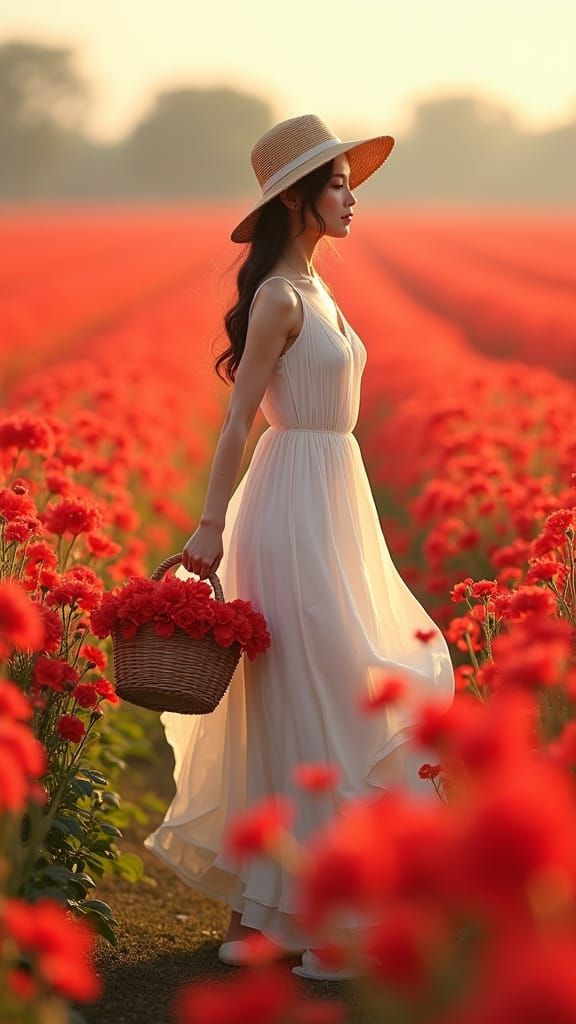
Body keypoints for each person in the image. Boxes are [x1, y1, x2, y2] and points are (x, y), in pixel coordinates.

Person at [144, 113, 455, 980]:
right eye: (338, 184)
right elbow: (240, 420)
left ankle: (264, 917)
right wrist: (209, 526)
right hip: (288, 502)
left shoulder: (317, 289)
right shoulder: (281, 297)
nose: (354, 197)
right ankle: (325, 918)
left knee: (312, 690)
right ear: (296, 198)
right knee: (324, 687)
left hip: (332, 493)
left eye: (352, 182)